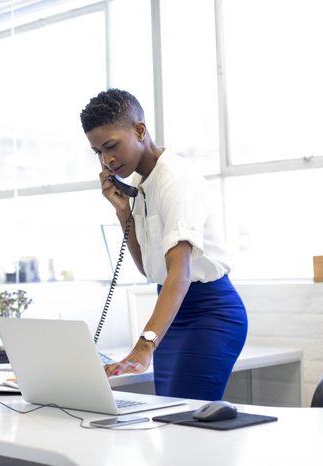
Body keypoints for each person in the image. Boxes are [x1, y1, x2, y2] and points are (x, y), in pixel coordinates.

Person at [79, 88, 248, 401]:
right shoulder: (143, 184)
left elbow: (179, 274)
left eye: (111, 146)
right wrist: (122, 211)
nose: (107, 159)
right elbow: (148, 267)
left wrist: (144, 346)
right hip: (172, 314)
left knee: (184, 423)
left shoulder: (175, 181)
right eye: (98, 152)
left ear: (140, 130)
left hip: (209, 312)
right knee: (172, 422)